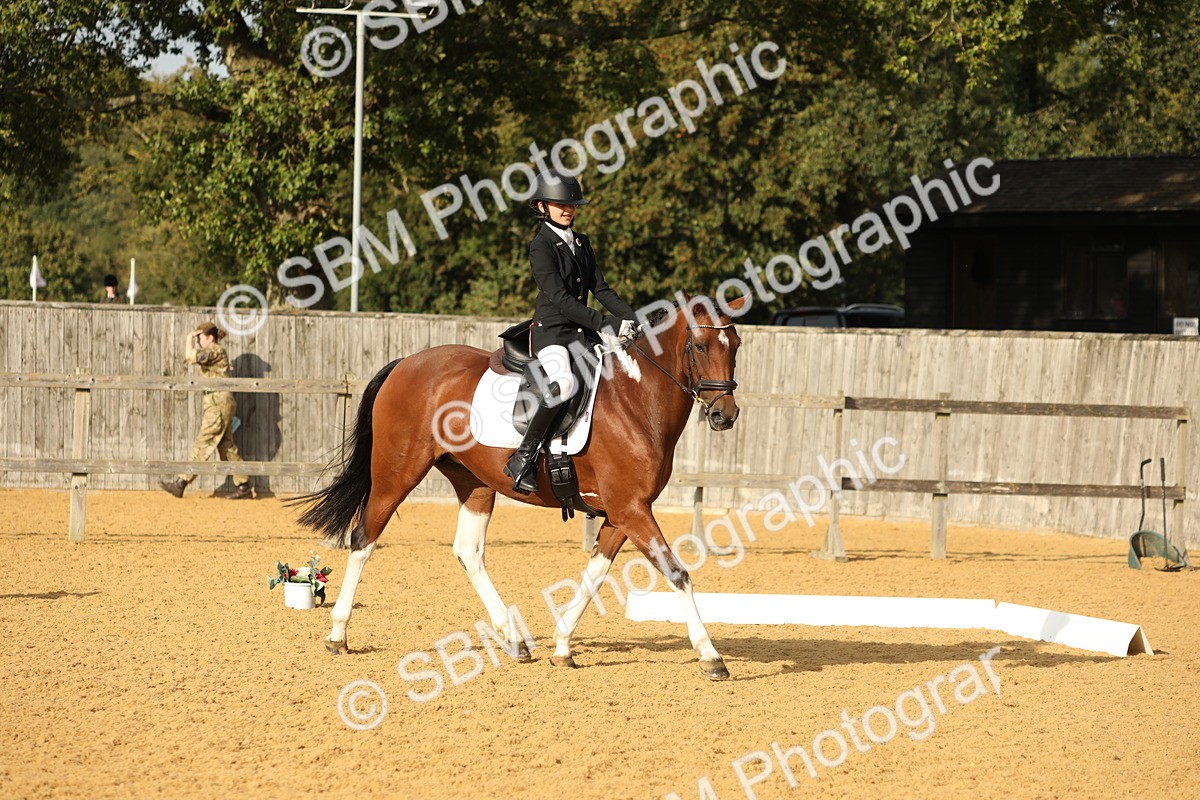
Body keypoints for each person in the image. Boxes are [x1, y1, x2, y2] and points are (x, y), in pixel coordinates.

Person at [502, 170, 638, 494]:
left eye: (572, 204)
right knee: (563, 384)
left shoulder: (581, 242)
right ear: (541, 206)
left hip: (581, 334)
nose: (568, 209)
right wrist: (607, 324)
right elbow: (562, 301)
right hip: (551, 334)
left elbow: (601, 289)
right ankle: (523, 457)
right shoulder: (541, 247)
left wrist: (634, 319)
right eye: (560, 204)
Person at [160, 321, 253, 499]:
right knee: (227, 447)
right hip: (219, 403)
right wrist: (194, 337)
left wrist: (188, 338)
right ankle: (244, 486)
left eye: (200, 337)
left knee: (203, 442)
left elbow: (190, 356)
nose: (198, 341)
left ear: (210, 338)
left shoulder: (215, 350)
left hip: (218, 405)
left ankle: (181, 482)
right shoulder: (214, 351)